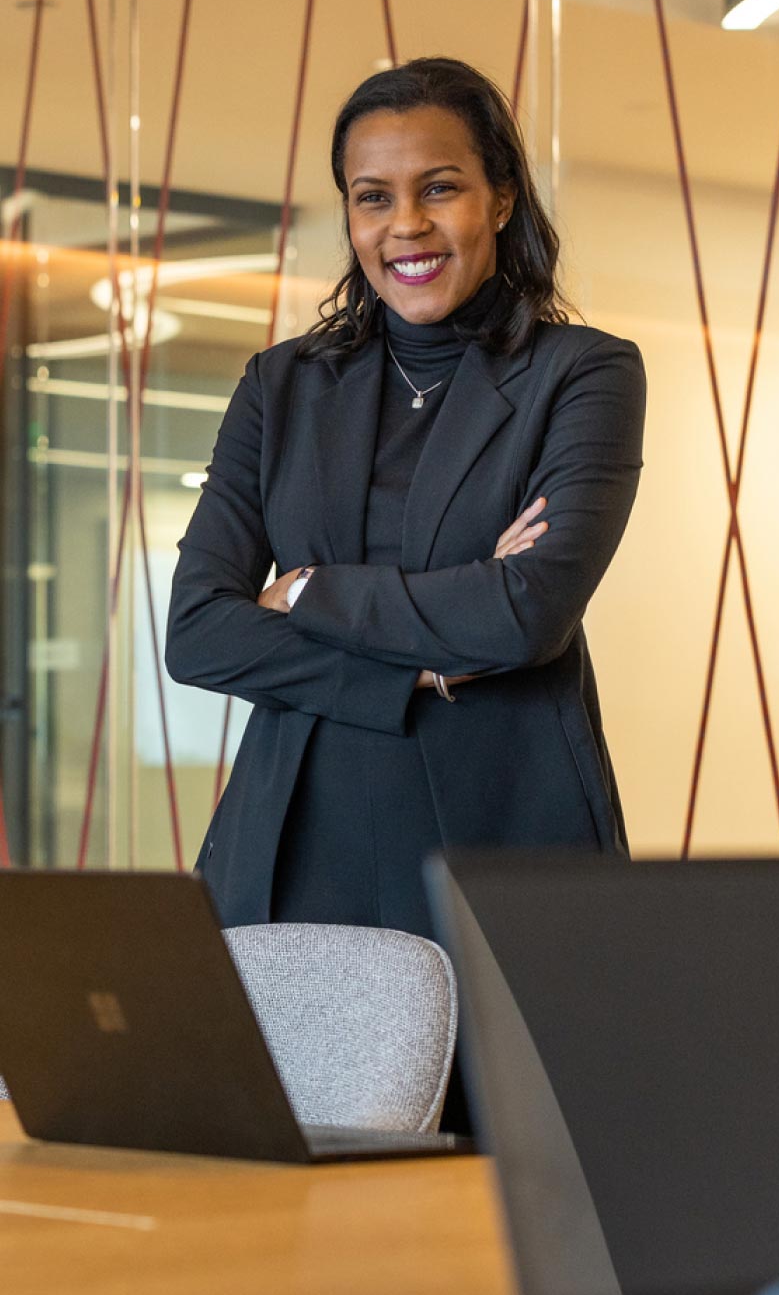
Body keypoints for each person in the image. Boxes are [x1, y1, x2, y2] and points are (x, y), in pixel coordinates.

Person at [167, 57, 644, 940]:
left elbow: (524, 613)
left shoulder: (582, 377)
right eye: (372, 197)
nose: (407, 226)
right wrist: (419, 666)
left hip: (502, 834)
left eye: (440, 188)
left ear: (500, 198)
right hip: (292, 839)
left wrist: (308, 591)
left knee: (502, 1085)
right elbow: (198, 631)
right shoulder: (281, 386)